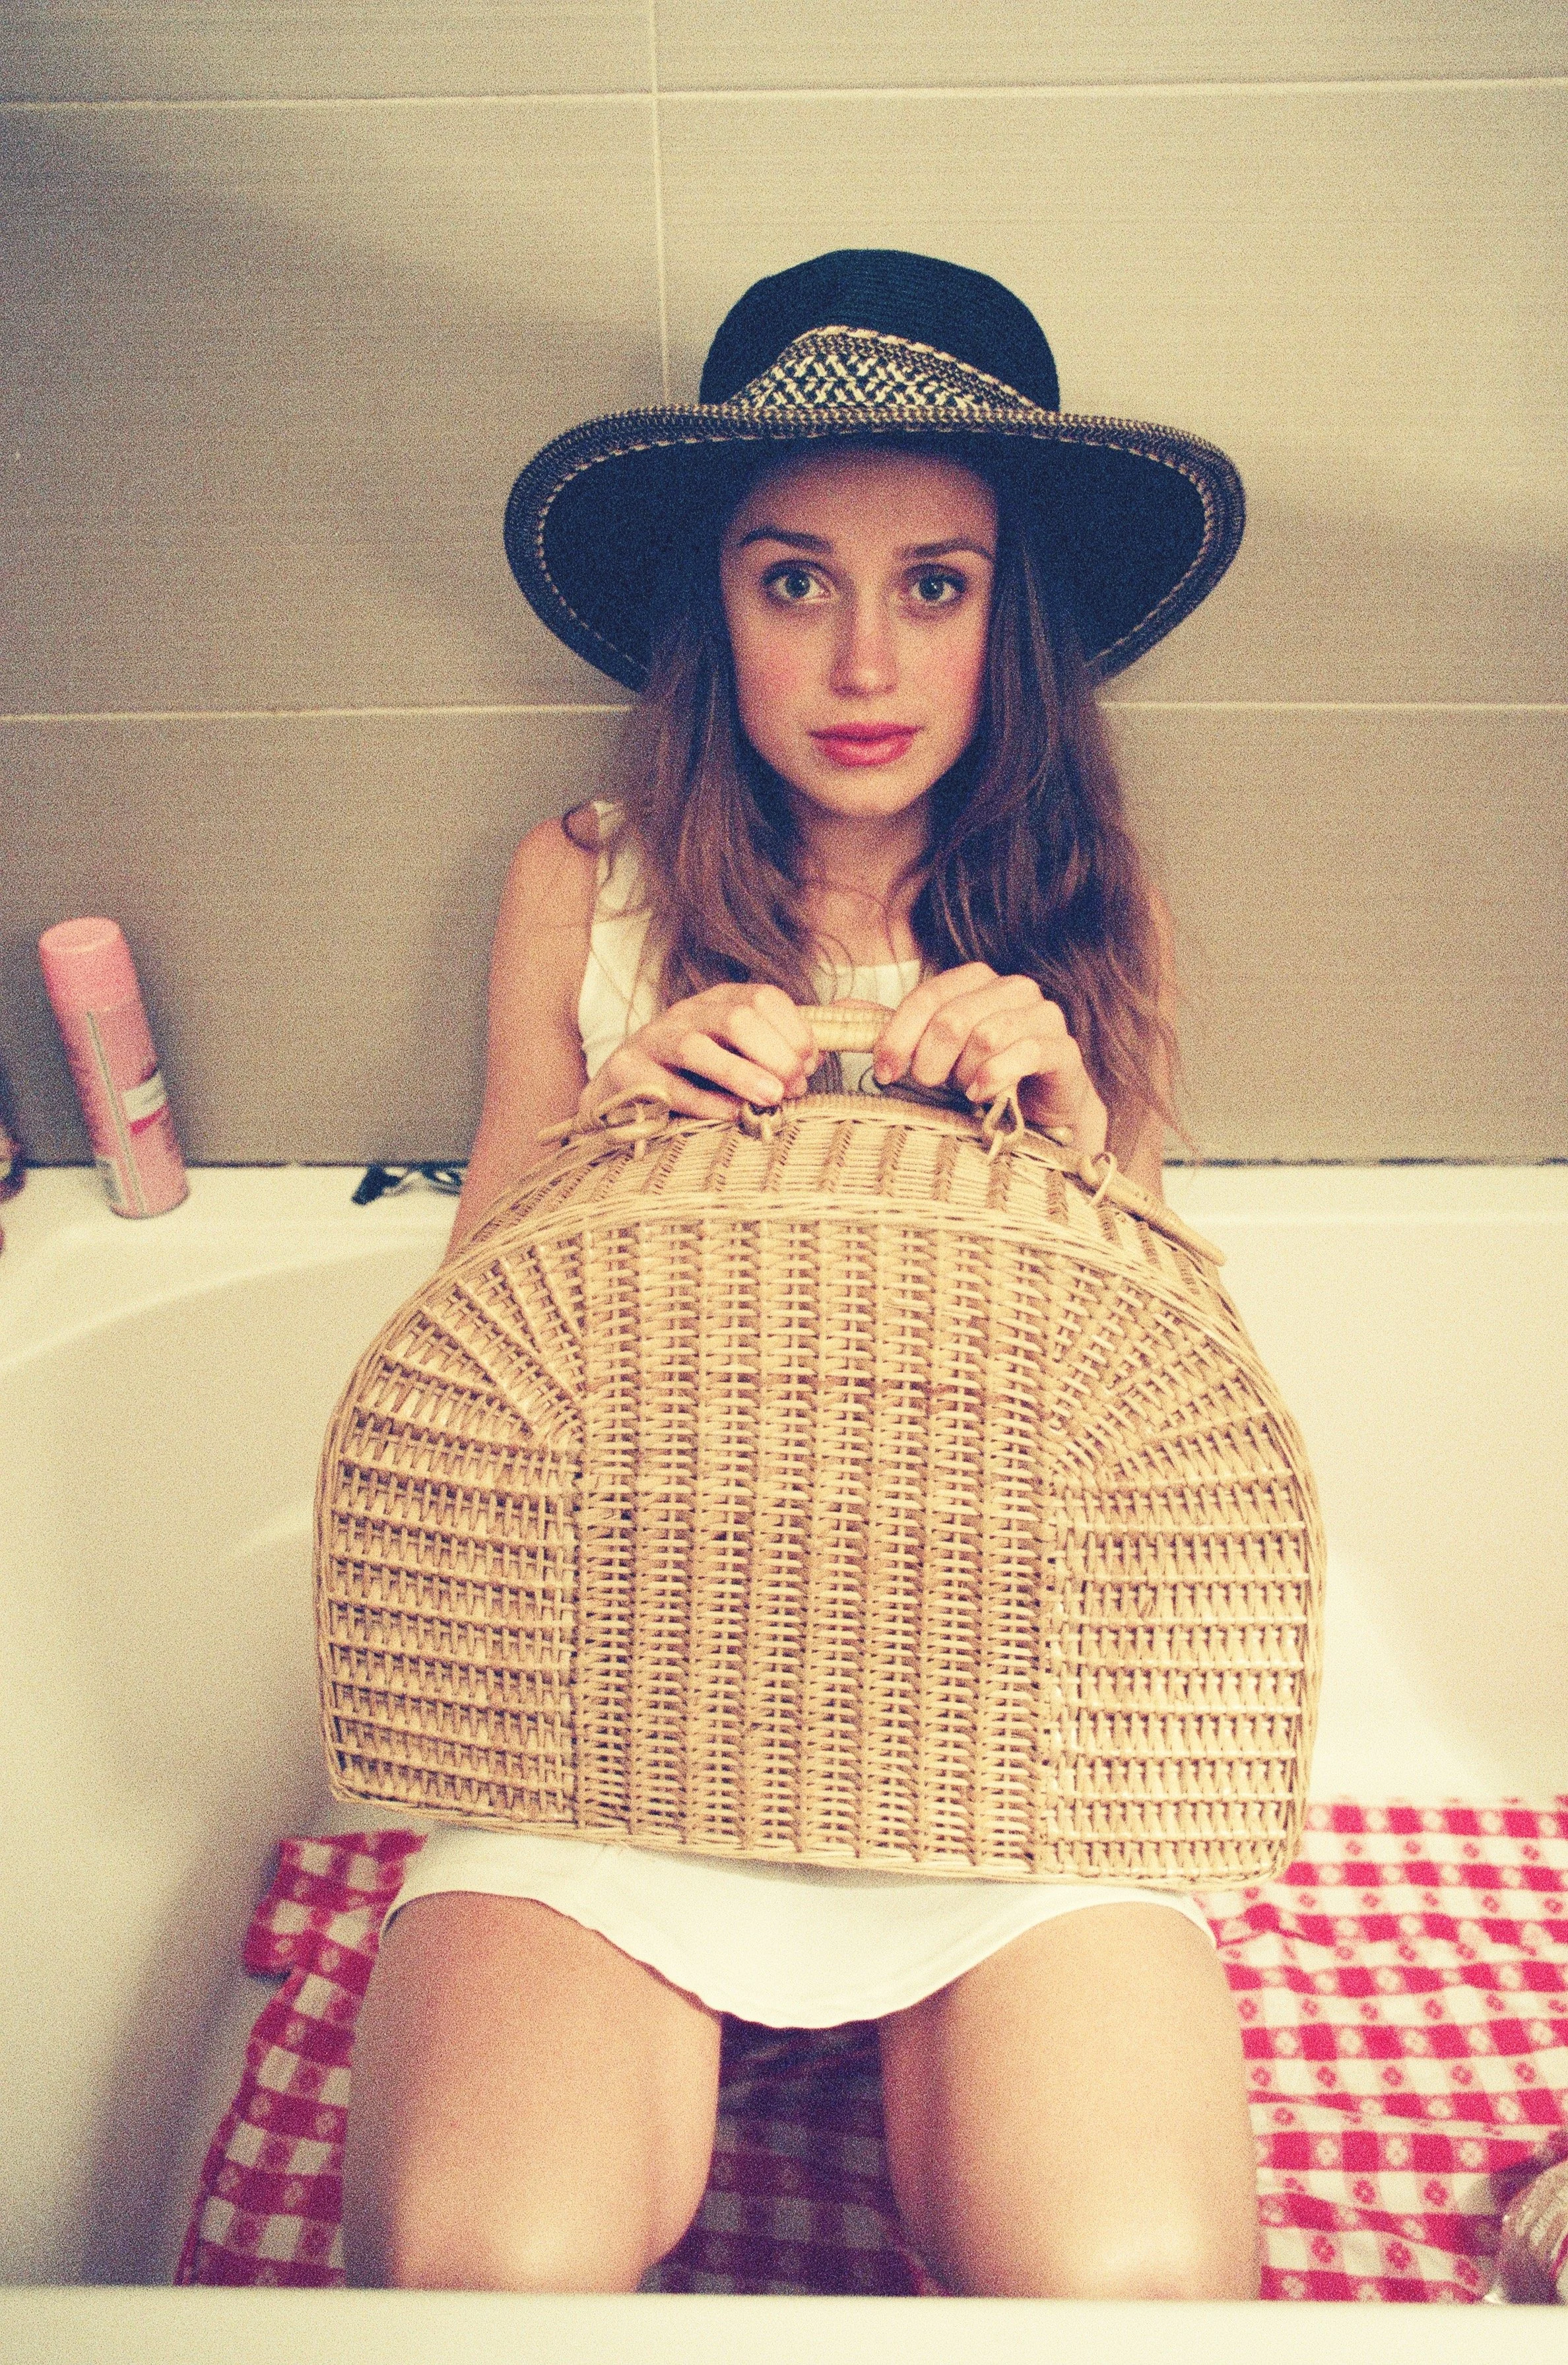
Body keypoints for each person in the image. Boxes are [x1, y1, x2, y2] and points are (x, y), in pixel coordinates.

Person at [342, 249, 1262, 2302]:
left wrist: (1085, 1152)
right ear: (714, 607)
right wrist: (604, 1142)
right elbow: (458, 1359)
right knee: (472, 2263)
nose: (865, 656)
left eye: (933, 582)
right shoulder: (581, 878)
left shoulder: (1102, 918)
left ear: (1006, 615)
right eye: (793, 581)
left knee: (1140, 2283)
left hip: (1006, 1708)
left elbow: (1164, 1409)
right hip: (615, 1693)